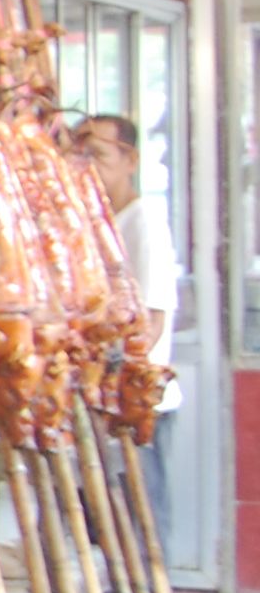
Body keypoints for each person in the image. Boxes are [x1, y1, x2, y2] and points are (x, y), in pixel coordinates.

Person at [78, 112, 180, 520]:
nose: (86, 166)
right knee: (103, 522)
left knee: (141, 520)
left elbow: (151, 325)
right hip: (103, 398)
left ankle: (157, 584)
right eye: (79, 155)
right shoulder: (91, 222)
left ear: (130, 161)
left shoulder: (145, 223)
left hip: (138, 402)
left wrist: (112, 375)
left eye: (98, 155)